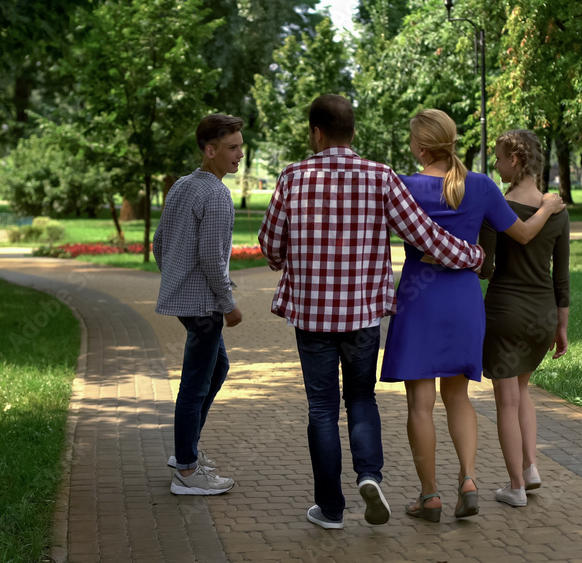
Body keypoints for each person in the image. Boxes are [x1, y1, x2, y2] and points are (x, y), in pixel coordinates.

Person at [258, 95, 486, 530]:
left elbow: (271, 246)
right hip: (363, 317)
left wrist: (286, 254)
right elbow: (426, 236)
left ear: (316, 133)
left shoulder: (293, 177)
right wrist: (472, 256)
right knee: (361, 398)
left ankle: (330, 509)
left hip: (311, 317)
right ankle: (369, 475)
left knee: (321, 409)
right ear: (353, 132)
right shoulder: (380, 177)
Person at [379, 110, 564, 522]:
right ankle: (469, 480)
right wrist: (549, 206)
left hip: (419, 299)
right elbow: (524, 233)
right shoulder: (479, 185)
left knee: (420, 405)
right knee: (458, 397)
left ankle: (430, 496)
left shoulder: (404, 187)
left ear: (421, 147)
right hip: (463, 299)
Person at [154, 113, 245, 495]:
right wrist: (229, 305)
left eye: (241, 145)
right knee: (194, 384)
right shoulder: (215, 194)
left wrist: (174, 279)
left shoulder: (182, 186)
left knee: (217, 367)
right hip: (205, 306)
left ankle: (184, 451)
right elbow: (211, 257)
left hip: (185, 301)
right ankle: (188, 472)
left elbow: (159, 243)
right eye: (232, 147)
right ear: (210, 150)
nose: (240, 154)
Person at [480, 129, 570, 508]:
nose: (496, 165)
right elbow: (561, 276)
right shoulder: (558, 211)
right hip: (542, 313)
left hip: (505, 312)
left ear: (514, 161)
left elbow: (484, 268)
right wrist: (561, 326)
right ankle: (530, 468)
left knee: (506, 400)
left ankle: (515, 485)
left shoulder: (498, 207)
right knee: (523, 391)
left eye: (499, 159)